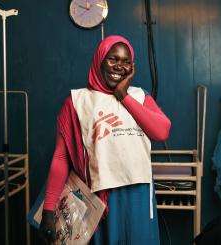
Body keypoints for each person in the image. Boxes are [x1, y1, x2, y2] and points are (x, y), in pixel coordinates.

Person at [40, 35, 171, 245]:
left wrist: (123, 95)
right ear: (99, 60)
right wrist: (49, 208)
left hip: (138, 194)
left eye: (126, 61)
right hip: (100, 198)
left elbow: (161, 132)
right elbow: (61, 157)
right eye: (113, 59)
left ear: (132, 67)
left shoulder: (140, 96)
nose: (119, 66)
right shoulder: (77, 101)